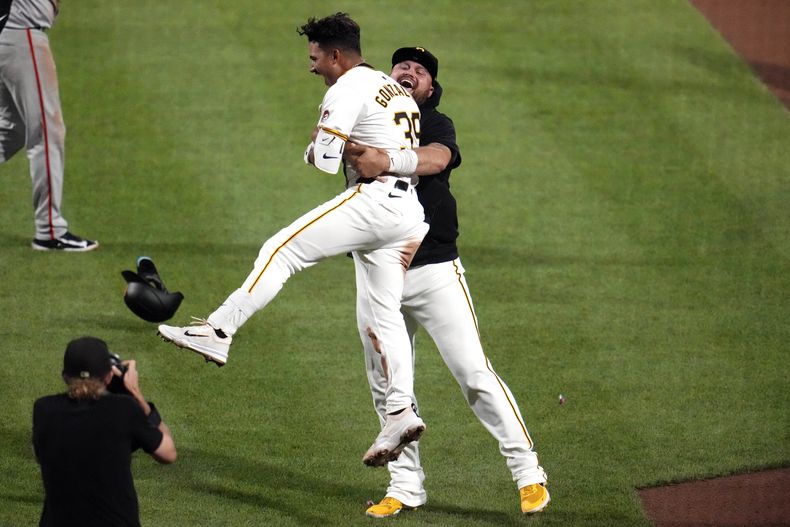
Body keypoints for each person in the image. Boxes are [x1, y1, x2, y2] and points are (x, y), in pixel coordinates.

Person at [157, 12, 429, 467]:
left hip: (375, 202)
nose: (312, 67)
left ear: (337, 55)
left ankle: (218, 330)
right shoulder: (389, 84)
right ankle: (400, 409)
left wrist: (321, 142)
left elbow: (322, 158)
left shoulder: (346, 88)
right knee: (383, 317)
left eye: (316, 57)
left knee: (281, 251)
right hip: (407, 213)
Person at [343, 47, 550, 518]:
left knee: (473, 374)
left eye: (420, 70)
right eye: (402, 66)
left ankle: (528, 474)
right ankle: (405, 487)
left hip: (435, 272)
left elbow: (435, 160)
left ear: (430, 88)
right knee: (390, 387)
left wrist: (387, 159)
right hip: (377, 275)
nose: (409, 70)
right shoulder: (367, 117)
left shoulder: (435, 122)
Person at [32, 336, 176, 527]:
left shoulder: (43, 409)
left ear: (65, 376)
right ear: (108, 376)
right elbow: (168, 453)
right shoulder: (124, 409)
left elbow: (40, 455)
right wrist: (136, 395)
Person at [0, 0, 98, 251]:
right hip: (20, 32)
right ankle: (50, 230)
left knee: (13, 130)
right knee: (46, 131)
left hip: (11, 32)